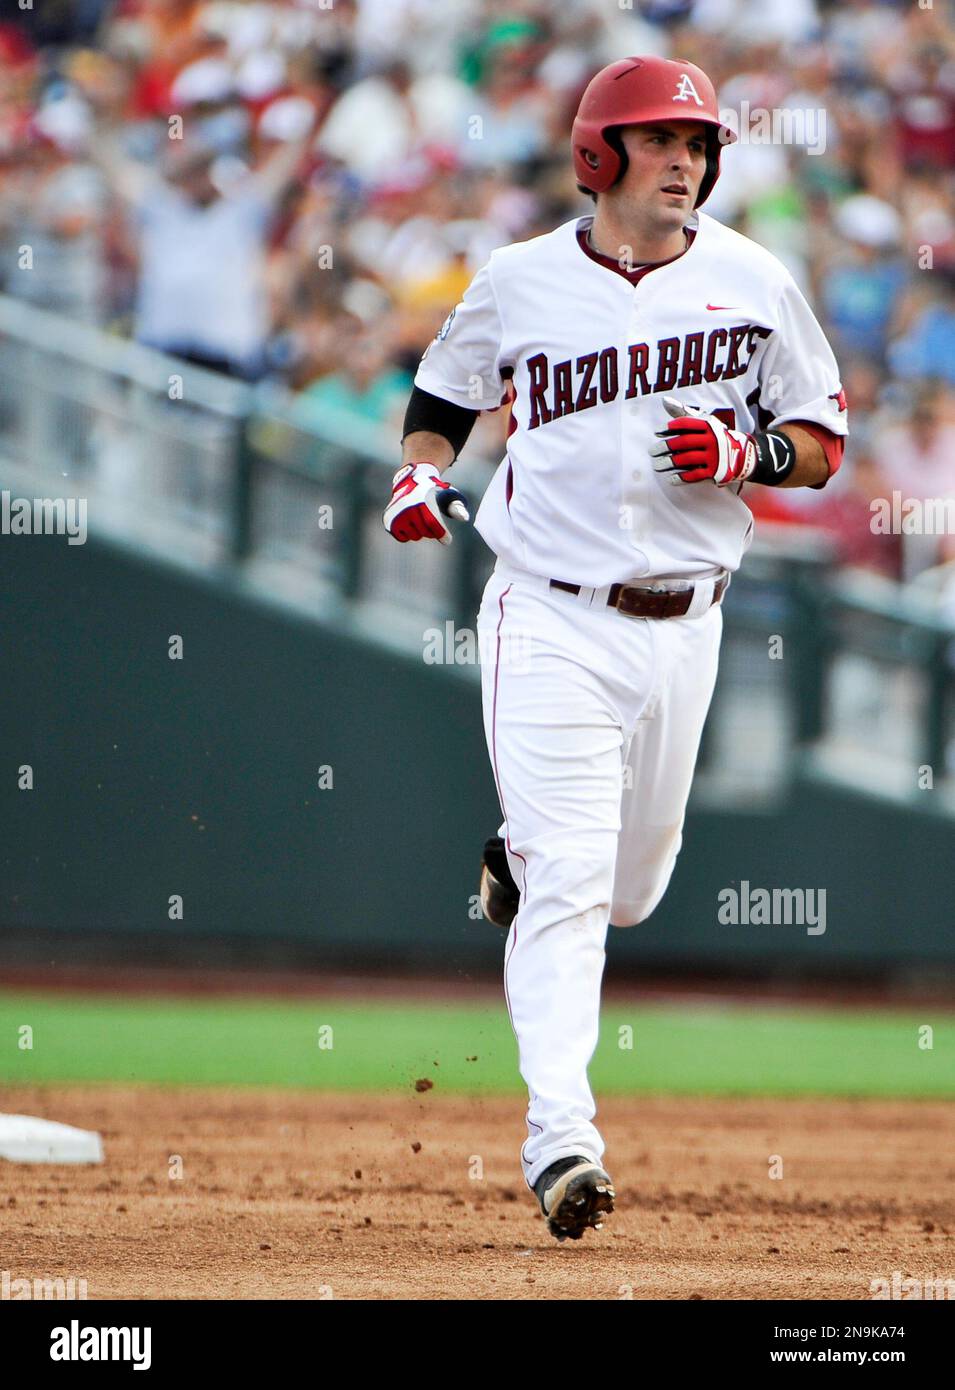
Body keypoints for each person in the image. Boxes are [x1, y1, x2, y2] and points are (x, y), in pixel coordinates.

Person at [383, 56, 848, 1242]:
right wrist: (424, 473)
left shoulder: (752, 278)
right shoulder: (520, 278)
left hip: (684, 624)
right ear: (600, 155)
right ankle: (561, 1139)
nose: (685, 161)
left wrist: (752, 460)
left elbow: (819, 439)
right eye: (660, 141)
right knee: (575, 885)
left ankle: (515, 850)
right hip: (547, 609)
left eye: (698, 144)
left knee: (629, 889)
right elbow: (443, 393)